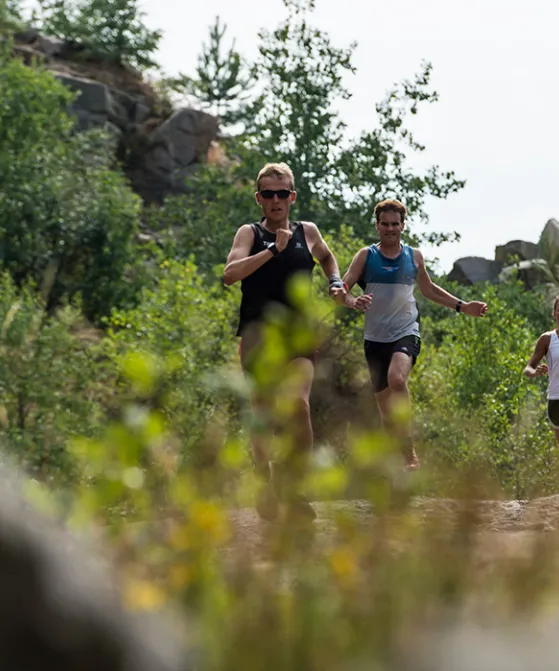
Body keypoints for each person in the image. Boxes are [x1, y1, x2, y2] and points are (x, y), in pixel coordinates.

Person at [223, 162, 366, 521]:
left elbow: (327, 257)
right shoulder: (250, 233)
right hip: (258, 335)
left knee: (298, 406)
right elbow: (229, 275)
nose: (275, 200)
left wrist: (335, 282)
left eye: (282, 193)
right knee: (262, 413)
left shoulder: (308, 230)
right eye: (268, 194)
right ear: (259, 198)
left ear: (292, 196)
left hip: (299, 335)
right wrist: (272, 250)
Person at [331, 199, 488, 469]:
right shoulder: (366, 256)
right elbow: (340, 290)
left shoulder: (413, 256)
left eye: (395, 224)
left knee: (397, 379)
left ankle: (409, 450)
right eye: (385, 224)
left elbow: (429, 290)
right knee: (385, 409)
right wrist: (352, 301)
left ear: (403, 225)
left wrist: (463, 306)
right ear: (377, 225)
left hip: (406, 331)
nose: (390, 229)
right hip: (374, 339)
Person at [523, 296, 559, 440]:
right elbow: (528, 368)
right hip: (557, 399)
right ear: (554, 313)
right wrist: (535, 372)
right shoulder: (547, 339)